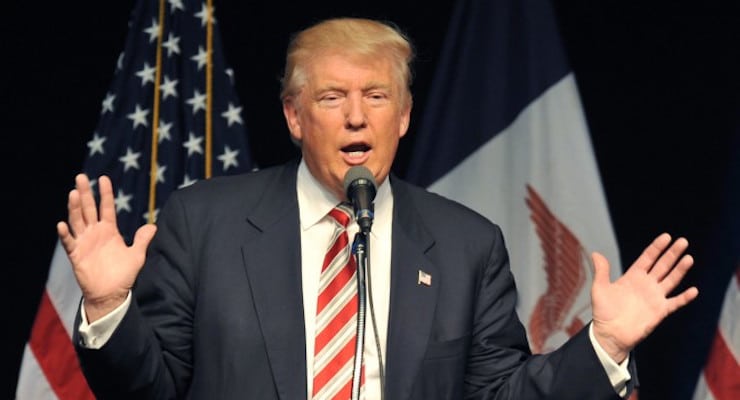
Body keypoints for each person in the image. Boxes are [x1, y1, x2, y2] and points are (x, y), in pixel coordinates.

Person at [58, 17, 698, 399]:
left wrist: (604, 343)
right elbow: (150, 390)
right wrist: (110, 308)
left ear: (406, 115)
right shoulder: (204, 222)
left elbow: (500, 396)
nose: (358, 116)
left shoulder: (465, 244)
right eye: (333, 96)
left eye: (377, 96)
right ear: (294, 116)